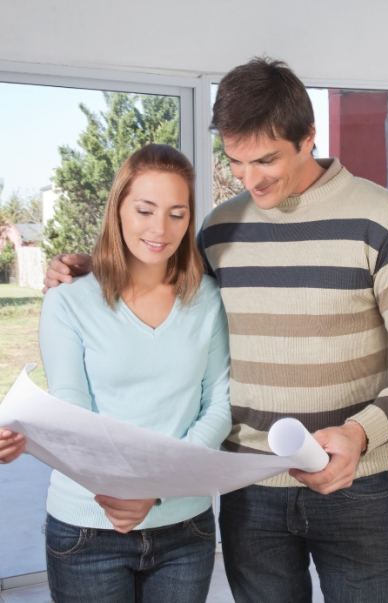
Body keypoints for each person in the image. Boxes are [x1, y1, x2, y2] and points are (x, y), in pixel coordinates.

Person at [41, 58, 388, 603]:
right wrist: (90, 270)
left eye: (266, 160)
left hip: (354, 484)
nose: (250, 179)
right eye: (235, 162)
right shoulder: (219, 227)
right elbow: (165, 282)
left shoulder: (386, 220)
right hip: (248, 491)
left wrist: (360, 434)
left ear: (309, 138)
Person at [0, 144, 231, 602]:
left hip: (187, 527)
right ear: (118, 209)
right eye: (145, 210)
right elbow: (73, 409)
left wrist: (156, 488)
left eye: (176, 213)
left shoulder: (208, 297)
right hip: (88, 530)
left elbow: (219, 403)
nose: (159, 229)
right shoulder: (68, 301)